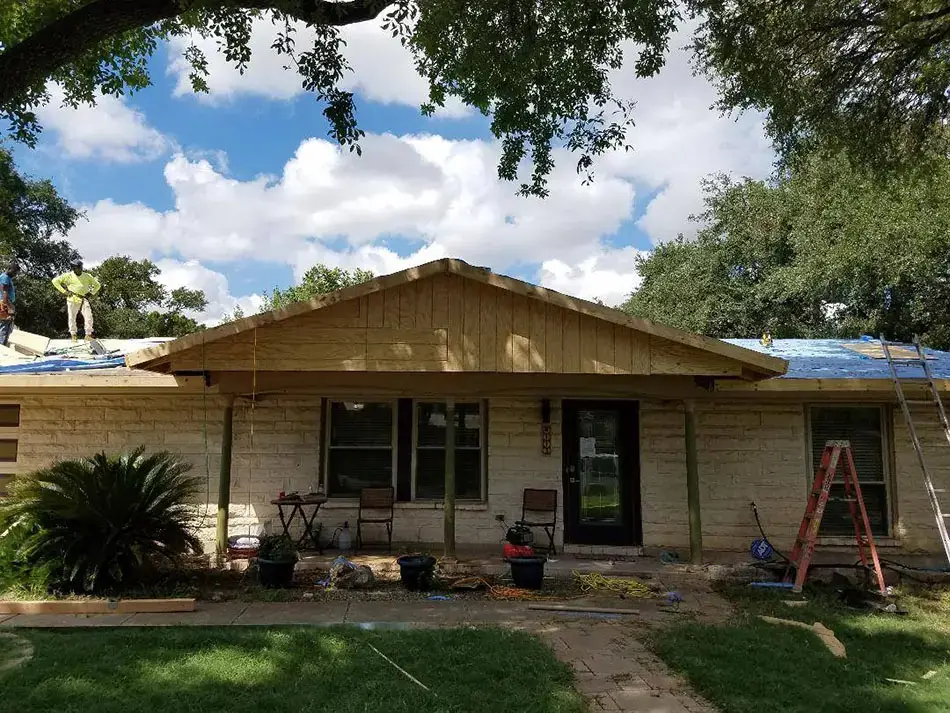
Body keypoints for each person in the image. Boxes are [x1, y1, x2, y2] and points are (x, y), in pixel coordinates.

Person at [52, 259, 101, 341]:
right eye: (78, 267)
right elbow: (55, 281)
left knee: (89, 316)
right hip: (72, 299)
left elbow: (97, 285)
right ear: (73, 268)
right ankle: (73, 335)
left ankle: (88, 335)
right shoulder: (68, 276)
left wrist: (91, 293)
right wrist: (65, 292)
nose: (80, 269)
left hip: (83, 299)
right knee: (72, 317)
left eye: (81, 267)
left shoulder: (87, 276)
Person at [0, 262, 19, 347]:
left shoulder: (7, 278)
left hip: (5, 303)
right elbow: (4, 293)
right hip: (4, 304)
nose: (15, 274)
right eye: (14, 272)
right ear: (9, 269)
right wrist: (10, 306)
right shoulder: (5, 278)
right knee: (4, 327)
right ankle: (2, 349)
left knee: (7, 326)